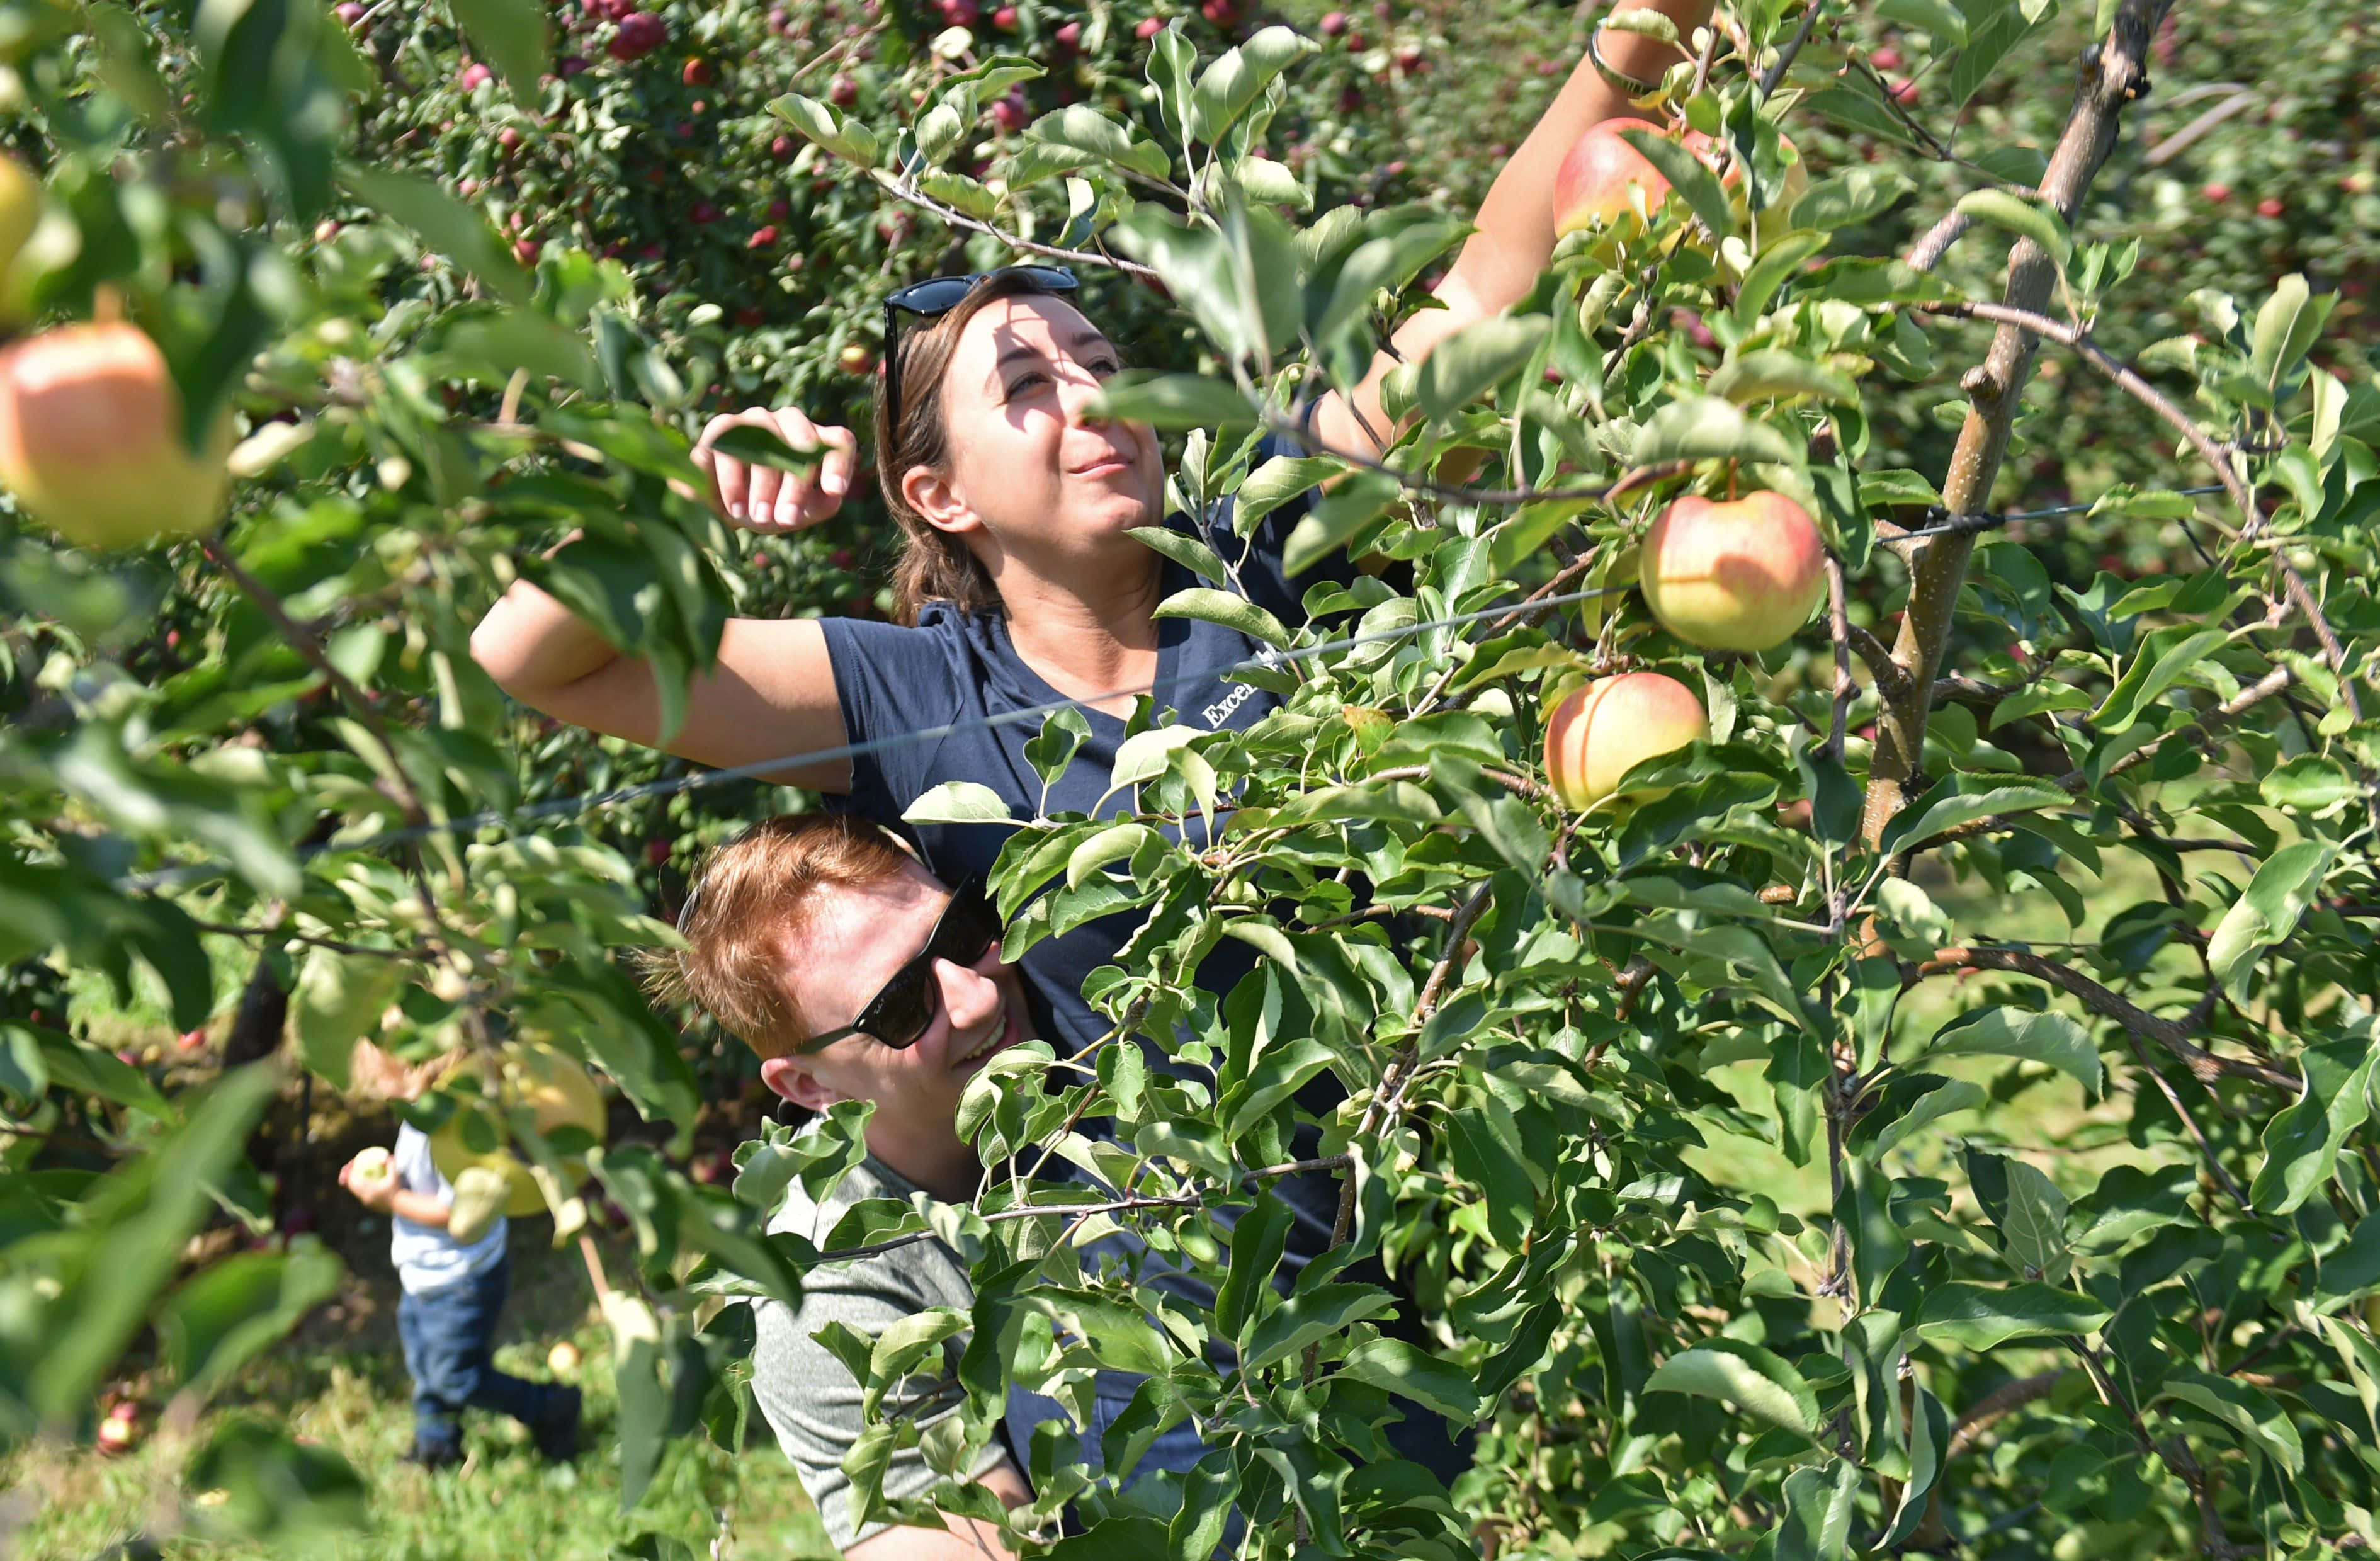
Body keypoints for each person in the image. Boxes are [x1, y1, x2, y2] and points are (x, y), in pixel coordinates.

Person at [468, 6, 1714, 1277]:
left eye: (1103, 362)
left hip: (1431, 1277)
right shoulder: (916, 691)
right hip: (1161, 1368)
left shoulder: (1280, 542)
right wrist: (675, 487)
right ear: (939, 495)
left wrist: (1648, 27)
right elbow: (532, 659)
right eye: (1026, 389)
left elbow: (1492, 282)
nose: (1096, 400)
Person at [647, 810, 1169, 1561]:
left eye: (964, 929)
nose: (978, 994)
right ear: (807, 1083)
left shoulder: (1086, 1049)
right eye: (900, 1005)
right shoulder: (832, 1298)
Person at [339, 1122, 583, 1470]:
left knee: (454, 1376)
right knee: (425, 1363)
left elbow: (458, 1214)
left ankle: (550, 1406)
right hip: (424, 1273)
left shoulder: (459, 1129)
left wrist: (390, 1198)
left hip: (462, 1279)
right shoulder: (418, 1116)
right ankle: (435, 1444)